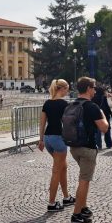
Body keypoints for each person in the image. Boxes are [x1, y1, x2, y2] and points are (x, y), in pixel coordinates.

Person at [68, 77, 108, 223]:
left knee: (83, 179)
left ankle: (83, 207)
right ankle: (76, 214)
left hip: (73, 147)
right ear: (88, 89)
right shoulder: (92, 107)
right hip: (87, 148)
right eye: (94, 87)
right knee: (84, 181)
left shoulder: (71, 104)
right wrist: (103, 114)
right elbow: (104, 128)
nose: (95, 90)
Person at [38, 79, 75, 212]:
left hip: (48, 139)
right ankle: (52, 203)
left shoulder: (47, 103)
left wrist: (41, 140)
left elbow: (42, 123)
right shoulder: (64, 104)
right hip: (58, 139)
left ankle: (66, 197)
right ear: (62, 89)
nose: (68, 91)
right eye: (67, 89)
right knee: (56, 171)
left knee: (63, 167)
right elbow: (69, 124)